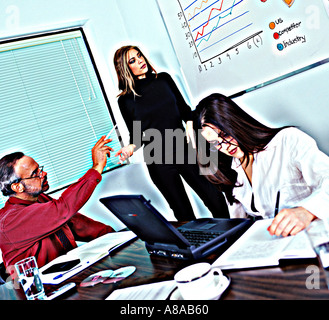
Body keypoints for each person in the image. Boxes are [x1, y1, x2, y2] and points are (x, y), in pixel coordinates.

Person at [113, 45, 229, 221]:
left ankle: (232, 237)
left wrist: (190, 132)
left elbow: (185, 111)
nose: (140, 61)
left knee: (215, 198)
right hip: (157, 159)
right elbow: (136, 134)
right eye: (133, 61)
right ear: (125, 69)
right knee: (183, 213)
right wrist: (130, 148)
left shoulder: (164, 80)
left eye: (139, 56)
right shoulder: (126, 100)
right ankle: (199, 247)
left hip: (183, 148)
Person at [195, 93, 329, 237]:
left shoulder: (288, 140)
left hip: (315, 239)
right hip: (275, 244)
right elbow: (238, 223)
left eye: (225, 135)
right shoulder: (231, 169)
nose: (225, 146)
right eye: (215, 143)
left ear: (236, 123)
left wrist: (306, 211)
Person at [0, 136, 115, 273]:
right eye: (35, 174)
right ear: (18, 187)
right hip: (39, 290)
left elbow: (76, 223)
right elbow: (63, 208)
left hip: (71, 274)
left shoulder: (39, 199)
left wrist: (115, 238)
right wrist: (96, 168)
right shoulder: (9, 221)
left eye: (40, 169)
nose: (44, 174)